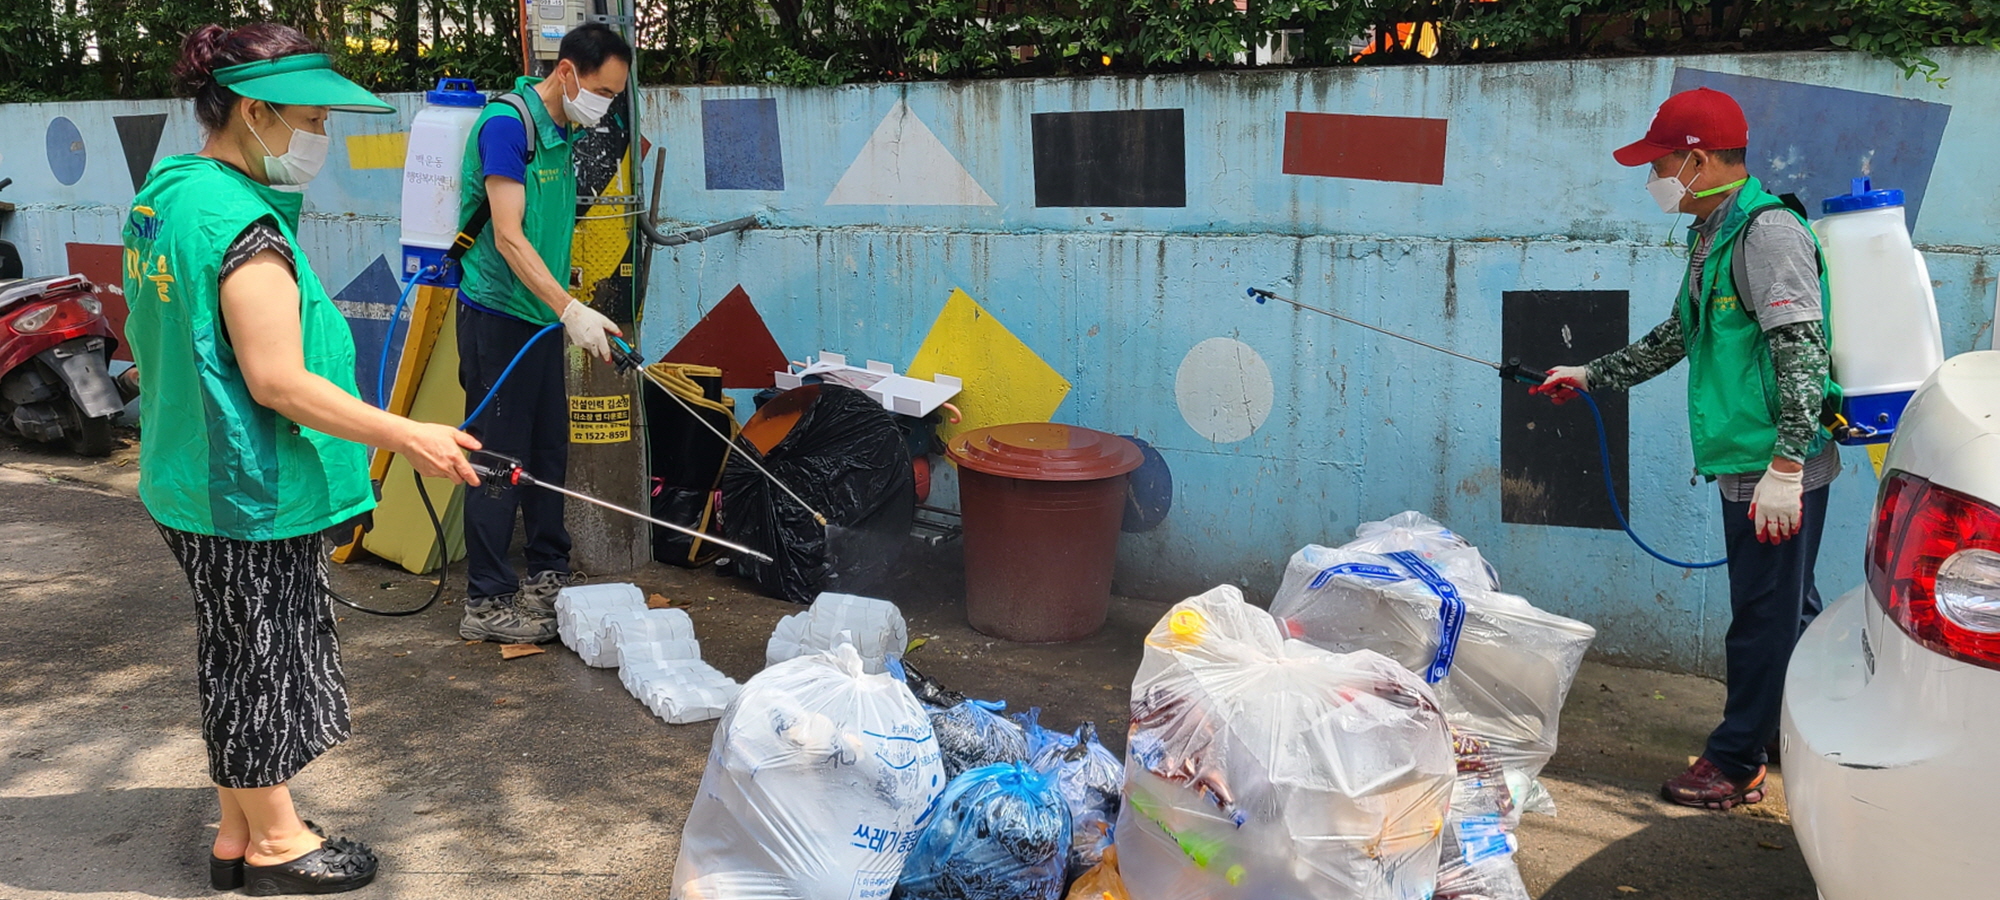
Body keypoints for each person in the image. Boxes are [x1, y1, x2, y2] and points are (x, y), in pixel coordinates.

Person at [125, 23, 482, 894]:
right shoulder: (242, 228)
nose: (321, 137)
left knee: (236, 651)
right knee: (262, 663)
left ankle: (238, 833)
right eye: (313, 119)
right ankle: (280, 845)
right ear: (255, 112)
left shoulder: (170, 193)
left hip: (188, 471)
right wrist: (407, 434)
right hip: (246, 484)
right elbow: (278, 380)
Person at [1536, 87, 1837, 810]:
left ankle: (1736, 763)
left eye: (1659, 164)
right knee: (1788, 611)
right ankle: (1781, 731)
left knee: (1761, 618)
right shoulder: (1711, 233)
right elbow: (1680, 333)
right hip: (1752, 458)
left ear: (1697, 161)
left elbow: (1803, 351)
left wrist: (1786, 465)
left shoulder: (1767, 234)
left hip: (1772, 464)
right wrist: (1591, 375)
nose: (1653, 179)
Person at [452, 23, 633, 644]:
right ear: (566, 73)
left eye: (615, 96)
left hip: (541, 316)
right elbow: (507, 236)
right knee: (497, 460)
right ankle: (486, 600)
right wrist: (570, 309)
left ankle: (548, 573)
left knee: (549, 448)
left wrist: (565, 303)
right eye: (602, 92)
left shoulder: (565, 128)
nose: (605, 107)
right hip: (499, 316)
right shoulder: (509, 126)